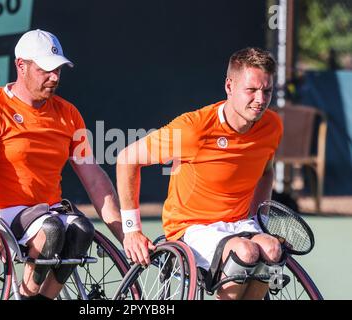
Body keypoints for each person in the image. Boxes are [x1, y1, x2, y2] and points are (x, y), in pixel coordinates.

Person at [0, 29, 123, 300]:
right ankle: (27, 296)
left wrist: (125, 234)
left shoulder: (68, 113)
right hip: (0, 216)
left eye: (58, 69)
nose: (54, 77)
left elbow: (93, 177)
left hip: (47, 211)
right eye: (46, 69)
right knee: (52, 230)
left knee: (82, 229)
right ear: (21, 65)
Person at [116, 47, 284, 300]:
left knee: (272, 249)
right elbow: (127, 159)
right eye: (251, 90)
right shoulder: (192, 130)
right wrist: (132, 230)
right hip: (191, 228)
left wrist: (261, 222)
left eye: (267, 91)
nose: (260, 99)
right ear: (229, 86)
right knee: (246, 253)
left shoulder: (272, 126)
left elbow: (266, 172)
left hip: (239, 224)